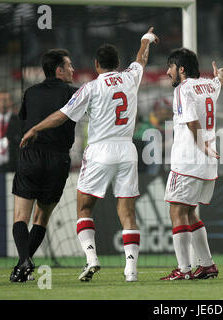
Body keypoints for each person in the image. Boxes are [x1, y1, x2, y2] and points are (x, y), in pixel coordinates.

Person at [21, 28, 159, 282]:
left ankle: (91, 258)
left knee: (84, 207)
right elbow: (141, 58)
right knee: (127, 212)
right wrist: (146, 39)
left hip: (99, 151)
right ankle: (131, 270)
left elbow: (62, 115)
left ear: (96, 65)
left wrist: (35, 128)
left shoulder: (90, 88)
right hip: (127, 150)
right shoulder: (130, 77)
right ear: (117, 64)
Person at [10, 48, 77, 282]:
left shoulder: (30, 92)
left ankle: (23, 261)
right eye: (69, 65)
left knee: (20, 215)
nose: (73, 69)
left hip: (30, 155)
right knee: (41, 217)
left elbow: (24, 120)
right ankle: (24, 261)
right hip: (58, 159)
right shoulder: (73, 93)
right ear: (59, 70)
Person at [160, 48, 223, 280]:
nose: (168, 72)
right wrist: (218, 78)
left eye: (171, 67)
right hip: (207, 163)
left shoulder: (183, 89)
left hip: (189, 159)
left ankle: (184, 269)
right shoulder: (209, 86)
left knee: (176, 211)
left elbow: (191, 121)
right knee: (190, 212)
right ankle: (207, 264)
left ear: (182, 69)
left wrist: (201, 144)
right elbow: (216, 86)